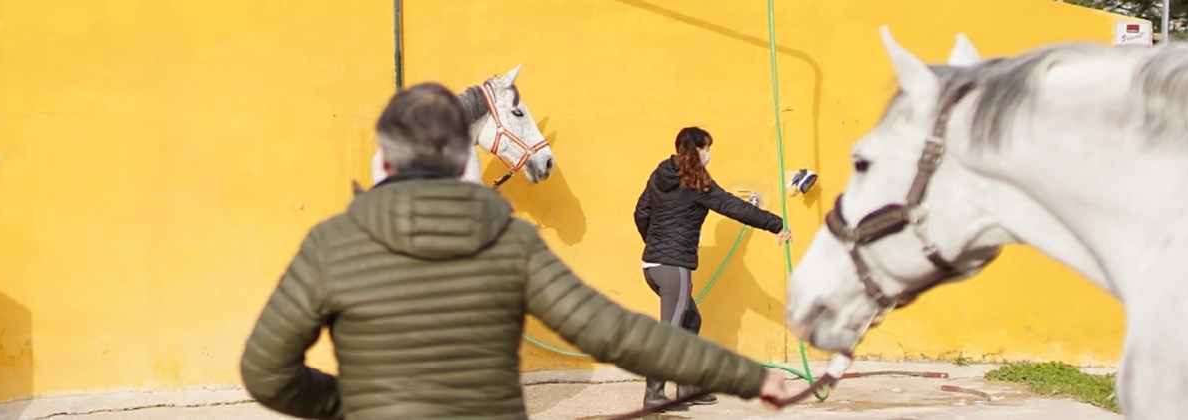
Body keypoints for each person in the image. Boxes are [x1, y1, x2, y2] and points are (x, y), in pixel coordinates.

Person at [241, 83, 788, 420]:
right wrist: (748, 376)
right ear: (461, 164)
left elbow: (265, 373)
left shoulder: (330, 245)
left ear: (386, 163)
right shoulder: (509, 245)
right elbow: (614, 331)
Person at [631, 126, 791, 410]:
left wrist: (655, 245)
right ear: (698, 150)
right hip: (674, 268)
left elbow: (641, 212)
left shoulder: (660, 175)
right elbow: (734, 207)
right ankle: (654, 395)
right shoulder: (697, 183)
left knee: (690, 321)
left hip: (653, 266)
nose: (709, 153)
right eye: (707, 148)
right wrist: (776, 224)